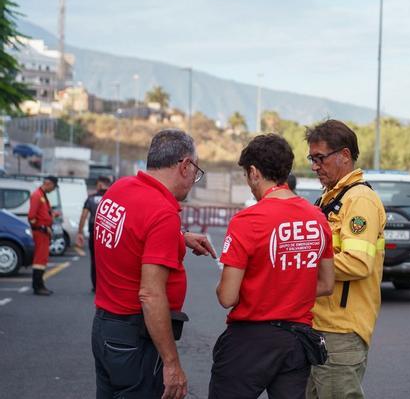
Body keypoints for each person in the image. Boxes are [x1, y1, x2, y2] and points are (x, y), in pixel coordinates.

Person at [91, 129, 216, 399]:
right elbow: (150, 294)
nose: (194, 180)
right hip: (134, 337)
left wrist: (178, 238)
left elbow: (133, 235)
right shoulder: (161, 212)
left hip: (104, 327)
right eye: (196, 171)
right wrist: (172, 364)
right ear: (185, 165)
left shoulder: (119, 190)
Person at [210, 134, 335, 399]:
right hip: (297, 340)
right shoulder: (318, 218)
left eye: (247, 175)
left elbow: (227, 296)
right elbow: (326, 284)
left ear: (254, 172)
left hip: (249, 342)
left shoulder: (247, 220)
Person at [305, 120, 386, 399]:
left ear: (345, 155)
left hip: (341, 330)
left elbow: (358, 263)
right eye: (311, 158)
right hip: (321, 324)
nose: (315, 165)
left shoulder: (360, 200)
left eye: (320, 158)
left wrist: (304, 265)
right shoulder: (329, 198)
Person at [76, 176, 112, 293]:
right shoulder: (113, 197)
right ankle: (107, 286)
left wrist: (80, 232)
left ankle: (96, 286)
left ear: (100, 185)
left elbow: (84, 216)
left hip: (94, 231)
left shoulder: (91, 199)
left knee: (95, 259)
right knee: (109, 260)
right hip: (109, 232)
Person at [27, 176, 61, 296]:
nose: (53, 190)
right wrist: (41, 227)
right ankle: (37, 286)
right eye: (53, 187)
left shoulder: (42, 195)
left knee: (42, 258)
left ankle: (39, 285)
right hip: (40, 232)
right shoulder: (37, 195)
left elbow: (43, 212)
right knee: (40, 259)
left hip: (44, 232)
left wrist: (52, 214)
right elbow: (31, 217)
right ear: (49, 184)